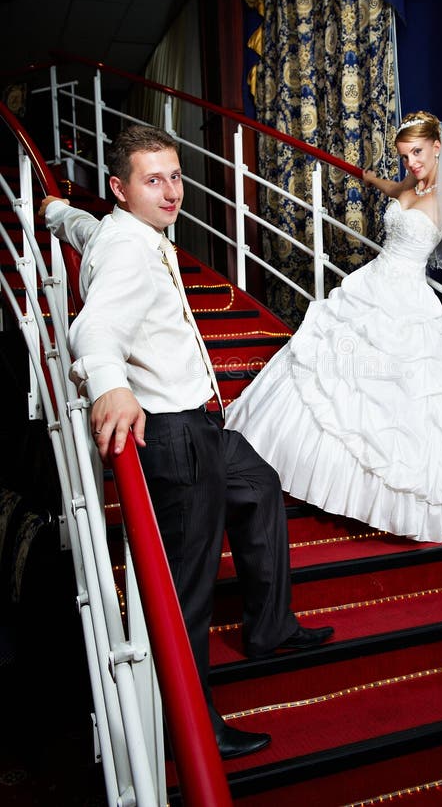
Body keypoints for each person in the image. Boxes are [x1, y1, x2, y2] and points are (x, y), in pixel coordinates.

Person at [41, 124, 333, 762]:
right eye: (154, 180)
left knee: (257, 483)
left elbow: (83, 230)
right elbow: (93, 330)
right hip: (171, 433)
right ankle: (193, 728)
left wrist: (58, 211)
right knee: (188, 591)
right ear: (121, 189)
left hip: (202, 424)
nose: (171, 191)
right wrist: (112, 387)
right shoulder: (130, 251)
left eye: (175, 176)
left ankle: (269, 627)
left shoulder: (116, 227)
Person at [225, 110, 442, 543]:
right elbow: (395, 190)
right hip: (371, 283)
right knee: (334, 376)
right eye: (404, 155)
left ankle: (391, 499)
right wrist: (372, 179)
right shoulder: (411, 184)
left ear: (436, 147)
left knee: (397, 397)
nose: (411, 162)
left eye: (417, 152)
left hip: (407, 298)